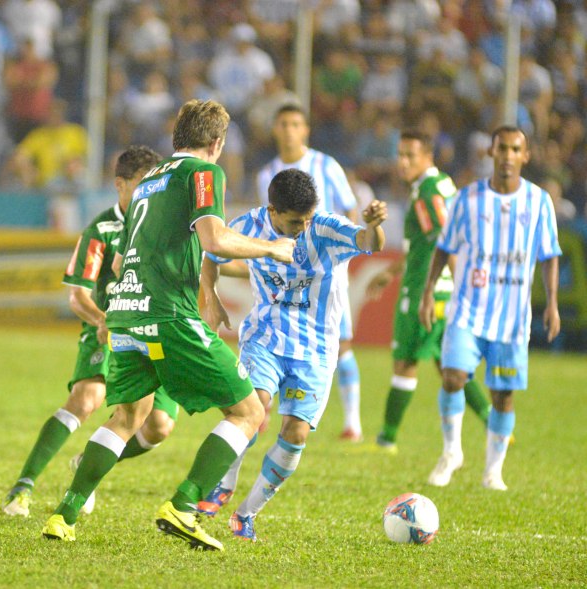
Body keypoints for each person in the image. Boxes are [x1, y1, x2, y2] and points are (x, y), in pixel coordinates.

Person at [40, 99, 295, 550]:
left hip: (125, 310)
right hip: (167, 315)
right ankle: (185, 504)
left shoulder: (149, 181)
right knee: (248, 411)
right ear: (216, 143)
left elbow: (126, 258)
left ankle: (64, 515)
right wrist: (272, 249)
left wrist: (208, 293)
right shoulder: (203, 172)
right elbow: (214, 238)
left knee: (128, 416)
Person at [200, 169, 387, 541]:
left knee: (296, 432)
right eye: (294, 221)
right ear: (272, 211)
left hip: (316, 350)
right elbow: (213, 250)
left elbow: (370, 242)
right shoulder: (249, 224)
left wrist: (373, 226)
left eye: (307, 219)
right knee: (252, 408)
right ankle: (223, 482)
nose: (302, 227)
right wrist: (211, 294)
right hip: (264, 337)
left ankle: (246, 514)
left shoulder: (325, 227)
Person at [2, 145, 180, 518]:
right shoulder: (101, 230)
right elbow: (77, 295)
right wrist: (102, 320)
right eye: (141, 185)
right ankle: (23, 487)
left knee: (159, 426)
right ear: (120, 185)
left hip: (151, 333)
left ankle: (88, 459)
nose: (149, 194)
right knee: (87, 400)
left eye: (155, 186)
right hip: (108, 331)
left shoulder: (161, 228)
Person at [419, 126, 560, 491]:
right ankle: (452, 452)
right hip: (468, 310)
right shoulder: (466, 200)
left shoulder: (539, 201)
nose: (508, 156)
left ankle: (493, 471)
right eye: (502, 149)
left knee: (503, 394)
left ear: (525, 156)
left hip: (511, 319)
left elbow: (549, 256)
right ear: (490, 153)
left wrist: (553, 304)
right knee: (452, 376)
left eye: (516, 149)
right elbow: (444, 247)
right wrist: (428, 291)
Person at [366, 130, 491, 453]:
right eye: (400, 154)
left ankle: (387, 439)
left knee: (406, 361)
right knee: (449, 365)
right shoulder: (443, 184)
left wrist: (434, 290)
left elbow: (442, 242)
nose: (403, 162)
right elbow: (429, 243)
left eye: (411, 155)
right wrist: (390, 273)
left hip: (426, 291)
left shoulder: (426, 192)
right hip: (438, 290)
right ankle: (495, 424)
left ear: (427, 157)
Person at [256, 104, 364, 439]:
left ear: (305, 130)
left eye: (296, 124)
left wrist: (345, 253)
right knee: (279, 334)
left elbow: (349, 208)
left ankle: (352, 422)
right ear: (275, 129)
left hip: (326, 269)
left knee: (341, 341)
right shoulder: (266, 174)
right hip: (288, 272)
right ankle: (268, 403)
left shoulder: (325, 165)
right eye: (283, 123)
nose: (289, 129)